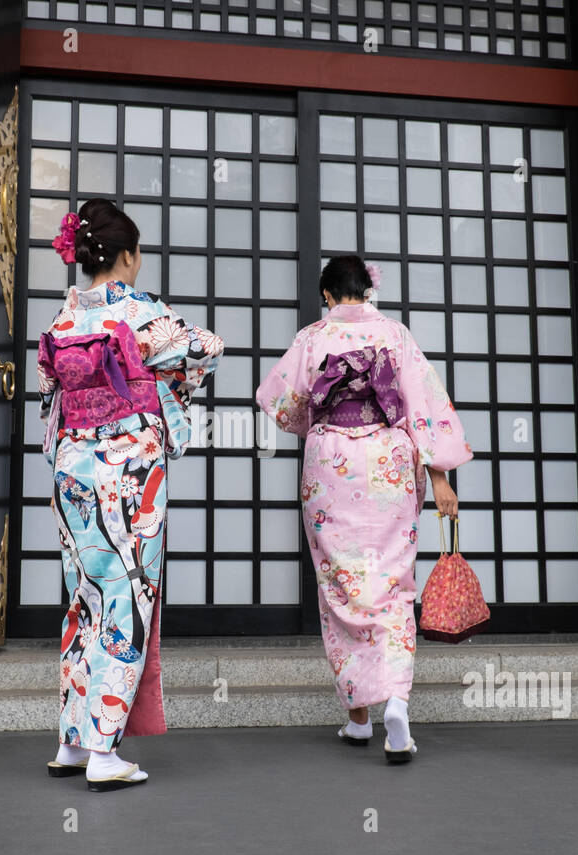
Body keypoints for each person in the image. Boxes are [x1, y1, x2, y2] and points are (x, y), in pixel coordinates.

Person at [256, 255, 471, 763]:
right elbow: (425, 409)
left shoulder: (312, 337)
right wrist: (440, 479)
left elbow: (280, 402)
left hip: (332, 462)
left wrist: (323, 417)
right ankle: (396, 701)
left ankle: (358, 718)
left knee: (340, 586)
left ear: (328, 295)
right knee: (393, 582)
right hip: (389, 463)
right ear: (366, 291)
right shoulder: (396, 335)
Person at [39, 198, 223, 791]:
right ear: (126, 256)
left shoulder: (64, 319)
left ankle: (72, 741)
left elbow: (52, 402)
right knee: (128, 598)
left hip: (72, 468)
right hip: (127, 474)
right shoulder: (142, 312)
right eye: (137, 254)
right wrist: (161, 380)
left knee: (83, 597)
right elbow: (206, 348)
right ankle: (103, 750)